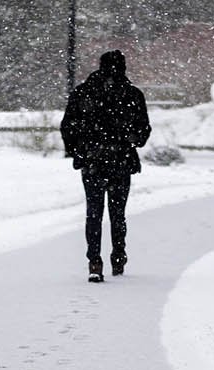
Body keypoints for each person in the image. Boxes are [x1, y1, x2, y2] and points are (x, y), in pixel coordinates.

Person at [60, 51, 151, 283]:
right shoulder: (132, 94)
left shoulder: (83, 93)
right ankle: (118, 256)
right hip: (121, 160)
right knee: (117, 214)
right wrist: (130, 140)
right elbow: (143, 131)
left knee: (94, 213)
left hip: (93, 162)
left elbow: (68, 127)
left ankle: (94, 261)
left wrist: (80, 151)